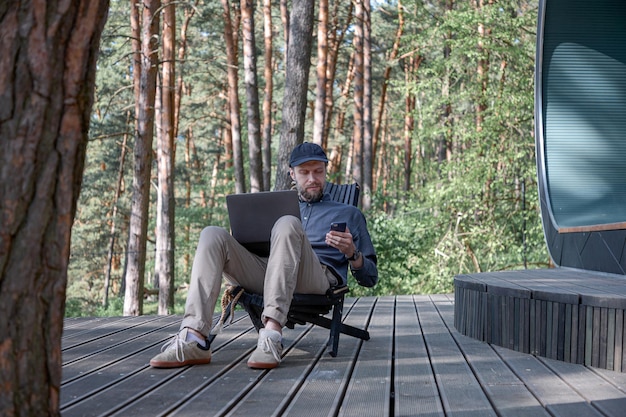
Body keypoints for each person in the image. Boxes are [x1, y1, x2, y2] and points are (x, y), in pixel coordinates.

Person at [149, 142, 378, 369]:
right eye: (304, 172)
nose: (312, 179)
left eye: (318, 171)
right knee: (212, 235)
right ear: (292, 174)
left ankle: (271, 336)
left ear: (326, 171)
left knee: (288, 223)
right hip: (271, 271)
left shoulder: (348, 213)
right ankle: (194, 338)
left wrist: (352, 253)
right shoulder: (276, 206)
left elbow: (370, 278)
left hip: (316, 277)